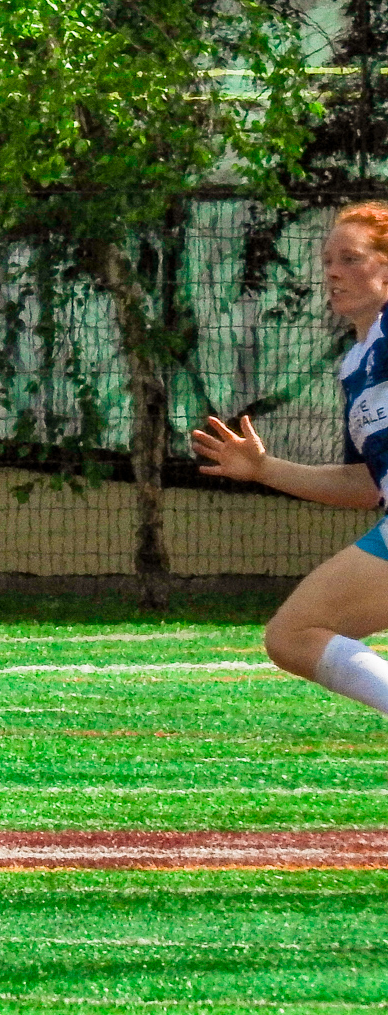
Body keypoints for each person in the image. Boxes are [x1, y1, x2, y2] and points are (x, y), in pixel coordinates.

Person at [192, 200, 388, 719]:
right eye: (327, 259)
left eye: (350, 258)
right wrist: (262, 469)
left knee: (295, 633)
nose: (331, 271)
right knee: (292, 635)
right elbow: (366, 486)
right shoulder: (357, 362)